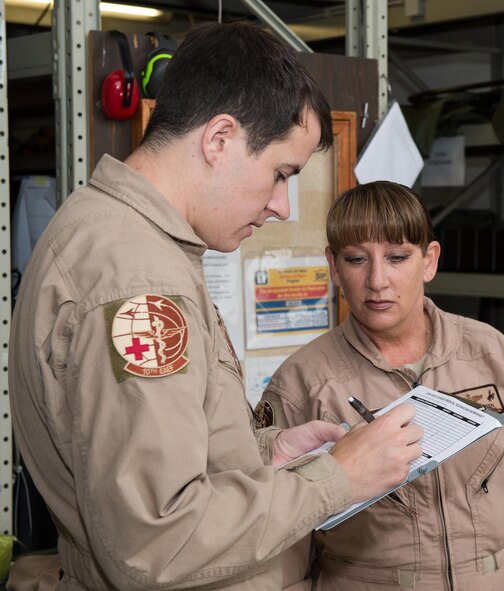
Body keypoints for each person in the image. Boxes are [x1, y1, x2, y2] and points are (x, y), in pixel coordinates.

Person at [8, 23, 423, 590]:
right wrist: (335, 480)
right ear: (219, 139)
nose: (282, 205)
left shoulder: (110, 235)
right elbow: (157, 539)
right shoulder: (138, 280)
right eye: (281, 174)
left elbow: (159, 454)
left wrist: (267, 452)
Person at [261, 180, 504, 590]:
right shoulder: (302, 381)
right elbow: (281, 549)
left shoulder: (489, 354)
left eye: (397, 257)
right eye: (357, 259)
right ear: (334, 266)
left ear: (429, 260)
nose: (377, 280)